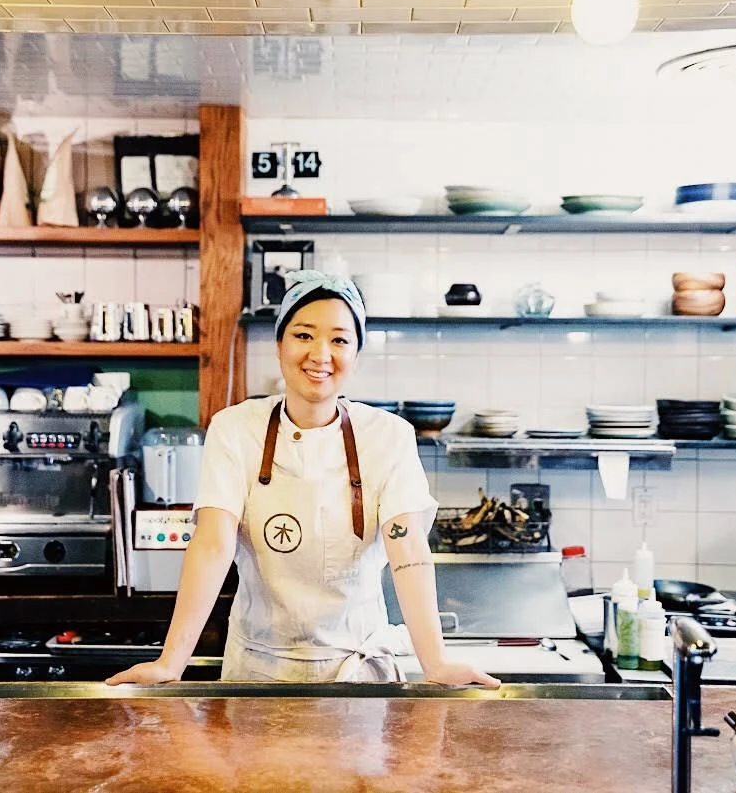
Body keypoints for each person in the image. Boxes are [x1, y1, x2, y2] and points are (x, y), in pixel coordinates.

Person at [107, 270, 499, 686]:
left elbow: (408, 548)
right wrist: (170, 662)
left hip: (358, 676)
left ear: (356, 353)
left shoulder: (388, 436)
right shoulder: (235, 429)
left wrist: (436, 662)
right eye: (304, 335)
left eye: (340, 340)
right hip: (258, 674)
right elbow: (213, 544)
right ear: (279, 345)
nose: (321, 354)